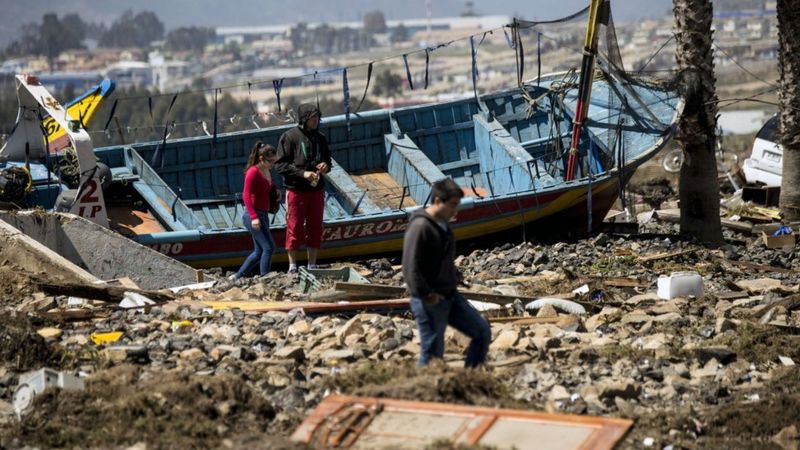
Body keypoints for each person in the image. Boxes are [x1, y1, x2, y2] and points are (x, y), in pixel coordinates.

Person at [402, 178, 491, 368]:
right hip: (430, 300)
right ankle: (425, 393)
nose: (455, 211)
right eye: (451, 205)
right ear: (437, 201)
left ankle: (470, 379)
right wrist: (427, 294)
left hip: (450, 296)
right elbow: (410, 267)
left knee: (481, 332)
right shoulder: (420, 227)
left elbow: (443, 259)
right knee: (432, 355)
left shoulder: (443, 225)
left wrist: (455, 276)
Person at [275, 103, 332, 274]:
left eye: (318, 117)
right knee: (295, 226)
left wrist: (324, 166)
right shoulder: (289, 137)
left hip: (317, 190)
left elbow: (329, 161)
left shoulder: (321, 138)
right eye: (314, 118)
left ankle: (312, 264)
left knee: (315, 226)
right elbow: (280, 165)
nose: (317, 120)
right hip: (296, 190)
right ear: (305, 119)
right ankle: (292, 266)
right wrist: (303, 174)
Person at [231, 142, 278, 280]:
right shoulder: (253, 172)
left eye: (274, 161)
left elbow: (268, 186)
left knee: (259, 251)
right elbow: (246, 195)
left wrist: (276, 193)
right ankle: (265, 277)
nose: (272, 164)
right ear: (261, 159)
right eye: (270, 161)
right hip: (253, 215)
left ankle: (238, 276)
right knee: (268, 247)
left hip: (263, 213)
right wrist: (253, 217)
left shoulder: (267, 171)